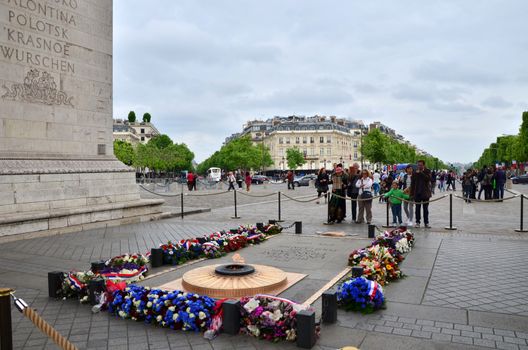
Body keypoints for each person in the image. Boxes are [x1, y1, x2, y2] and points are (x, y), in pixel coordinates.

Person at [410, 160, 432, 228]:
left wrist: (421, 173)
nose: (419, 166)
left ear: (424, 165)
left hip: (425, 193)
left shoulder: (427, 171)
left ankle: (426, 222)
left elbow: (428, 179)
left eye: (421, 165)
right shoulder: (414, 172)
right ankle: (417, 222)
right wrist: (411, 194)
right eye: (418, 165)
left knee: (425, 209)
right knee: (417, 209)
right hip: (417, 193)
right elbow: (412, 183)